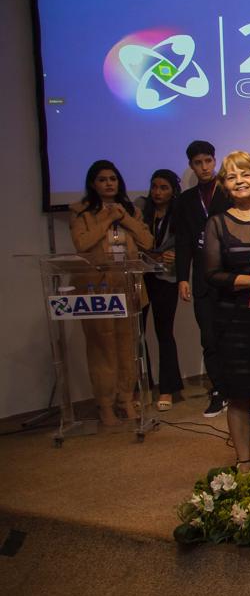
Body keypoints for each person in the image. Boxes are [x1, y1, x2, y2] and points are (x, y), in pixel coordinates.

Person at [69, 160, 154, 428]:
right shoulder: (81, 213)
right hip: (97, 290)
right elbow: (82, 244)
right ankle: (105, 404)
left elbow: (148, 242)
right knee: (102, 349)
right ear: (93, 184)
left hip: (128, 288)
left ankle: (125, 400)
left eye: (113, 179)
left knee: (127, 347)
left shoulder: (130, 212)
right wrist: (106, 218)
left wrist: (124, 217)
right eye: (103, 179)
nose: (109, 183)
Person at [201, 152, 250, 471]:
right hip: (234, 321)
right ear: (224, 185)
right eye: (231, 176)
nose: (240, 181)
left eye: (246, 174)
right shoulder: (216, 223)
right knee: (239, 395)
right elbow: (213, 274)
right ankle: (243, 462)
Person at [174, 140, 229, 418]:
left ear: (215, 160)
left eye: (208, 160)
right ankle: (219, 390)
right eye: (198, 163)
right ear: (191, 166)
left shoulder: (230, 190)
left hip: (231, 274)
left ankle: (245, 391)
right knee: (209, 336)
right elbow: (183, 241)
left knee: (236, 334)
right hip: (202, 279)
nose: (204, 167)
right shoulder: (185, 200)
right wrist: (182, 277)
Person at [137, 169, 183, 411]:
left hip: (166, 278)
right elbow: (133, 241)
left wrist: (172, 256)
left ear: (173, 190)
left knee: (164, 333)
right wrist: (152, 254)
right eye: (154, 186)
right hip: (140, 277)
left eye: (163, 187)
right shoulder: (140, 209)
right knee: (137, 334)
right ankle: (142, 387)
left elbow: (182, 246)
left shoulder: (179, 213)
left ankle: (167, 388)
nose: (158, 192)